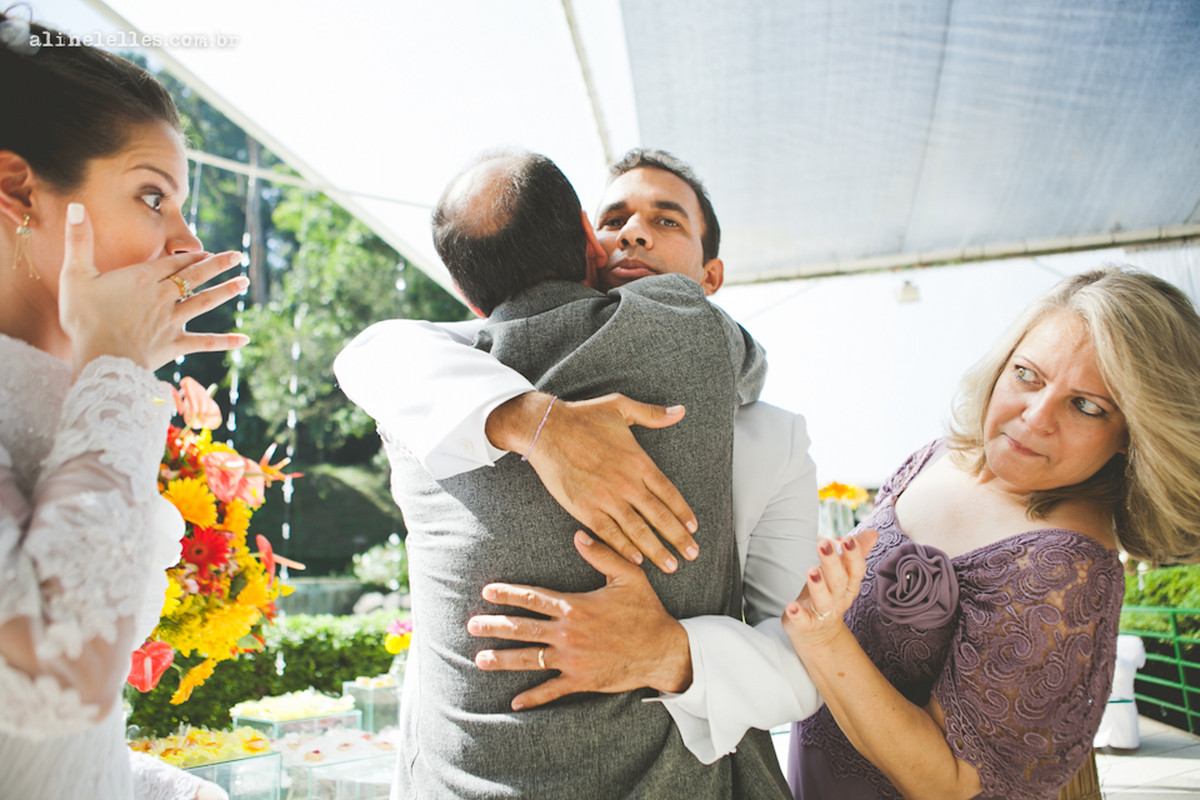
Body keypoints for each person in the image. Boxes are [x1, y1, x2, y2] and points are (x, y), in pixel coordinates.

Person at [334, 150, 819, 759]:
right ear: (587, 243)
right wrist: (535, 422)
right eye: (614, 219)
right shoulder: (478, 366)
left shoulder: (775, 438)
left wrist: (669, 653)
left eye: (667, 222)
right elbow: (370, 354)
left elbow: (806, 664)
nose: (633, 232)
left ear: (710, 277)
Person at [776, 267, 1200, 798]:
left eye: (1087, 406)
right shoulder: (939, 456)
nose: (1036, 417)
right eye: (1027, 375)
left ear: (1131, 435)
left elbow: (951, 782)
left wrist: (821, 637)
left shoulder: (1065, 570)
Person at [0, 11, 248, 799]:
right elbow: (50, 676)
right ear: (18, 191)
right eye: (153, 196)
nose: (186, 243)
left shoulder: (83, 394)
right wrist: (113, 363)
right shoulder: (106, 385)